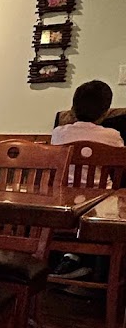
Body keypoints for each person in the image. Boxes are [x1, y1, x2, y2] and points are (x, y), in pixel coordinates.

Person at [51, 79, 123, 279]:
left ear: (73, 108)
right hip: (101, 205)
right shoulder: (113, 136)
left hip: (63, 202)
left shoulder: (58, 133)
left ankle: (70, 259)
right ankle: (101, 272)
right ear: (105, 112)